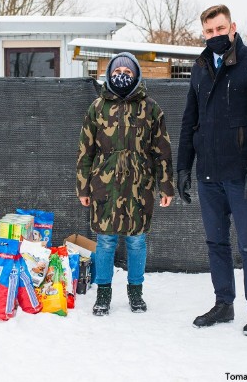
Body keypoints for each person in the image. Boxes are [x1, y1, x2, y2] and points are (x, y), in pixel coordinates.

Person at [176, 4, 247, 336]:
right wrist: (183, 168)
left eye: (220, 30)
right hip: (208, 174)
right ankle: (224, 305)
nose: (215, 36)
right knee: (216, 243)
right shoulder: (200, 66)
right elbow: (189, 121)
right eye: (209, 31)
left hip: (241, 176)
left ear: (232, 27)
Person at [76, 52, 175, 316]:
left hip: (139, 187)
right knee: (106, 241)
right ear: (109, 75)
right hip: (104, 187)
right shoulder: (97, 108)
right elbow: (85, 151)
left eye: (128, 72)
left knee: (136, 242)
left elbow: (162, 150)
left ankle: (136, 293)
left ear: (136, 76)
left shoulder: (151, 108)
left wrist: (166, 187)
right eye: (118, 71)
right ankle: (103, 294)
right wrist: (83, 188)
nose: (122, 75)